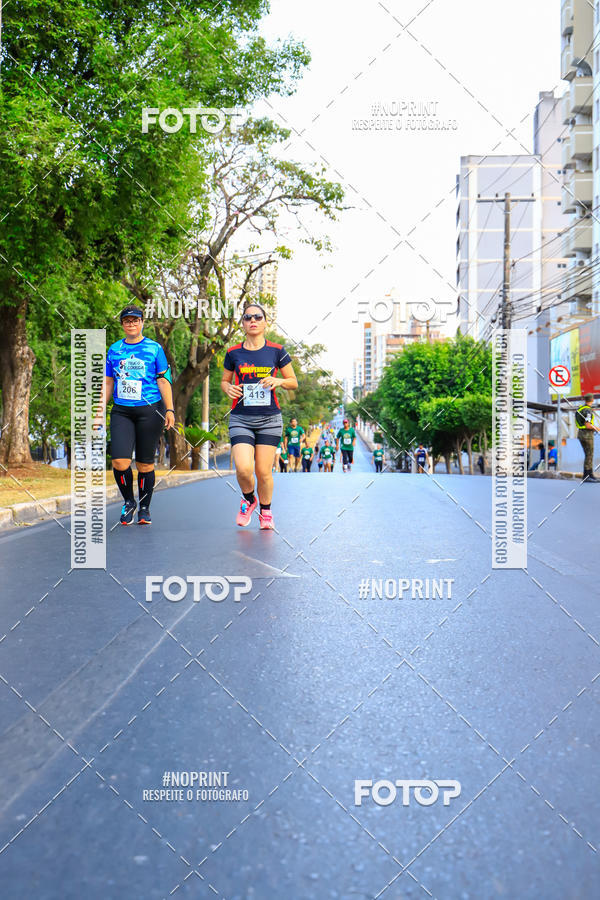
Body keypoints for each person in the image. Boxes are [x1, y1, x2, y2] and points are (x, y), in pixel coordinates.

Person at [95, 305, 174, 525]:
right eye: (127, 321)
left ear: (141, 323)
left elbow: (163, 379)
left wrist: (170, 409)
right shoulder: (114, 350)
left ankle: (145, 508)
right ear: (122, 324)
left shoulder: (154, 348)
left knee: (145, 464)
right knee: (120, 461)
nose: (131, 324)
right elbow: (109, 381)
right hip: (122, 411)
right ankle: (129, 501)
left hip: (150, 410)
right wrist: (100, 411)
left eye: (135, 320)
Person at [221, 302, 298, 529]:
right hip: (241, 418)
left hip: (269, 419)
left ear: (266, 322)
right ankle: (249, 499)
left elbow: (293, 382)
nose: (252, 320)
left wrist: (279, 381)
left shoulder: (276, 350)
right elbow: (225, 380)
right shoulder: (233, 352)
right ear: (242, 323)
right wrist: (227, 388)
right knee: (244, 468)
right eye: (247, 317)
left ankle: (266, 512)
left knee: (263, 471)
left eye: (257, 317)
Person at [576, 393, 600, 483]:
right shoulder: (588, 411)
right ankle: (588, 476)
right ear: (592, 400)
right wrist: (598, 429)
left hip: (581, 434)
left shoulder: (580, 408)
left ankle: (589, 475)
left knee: (588, 455)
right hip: (587, 435)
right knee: (589, 455)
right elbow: (588, 425)